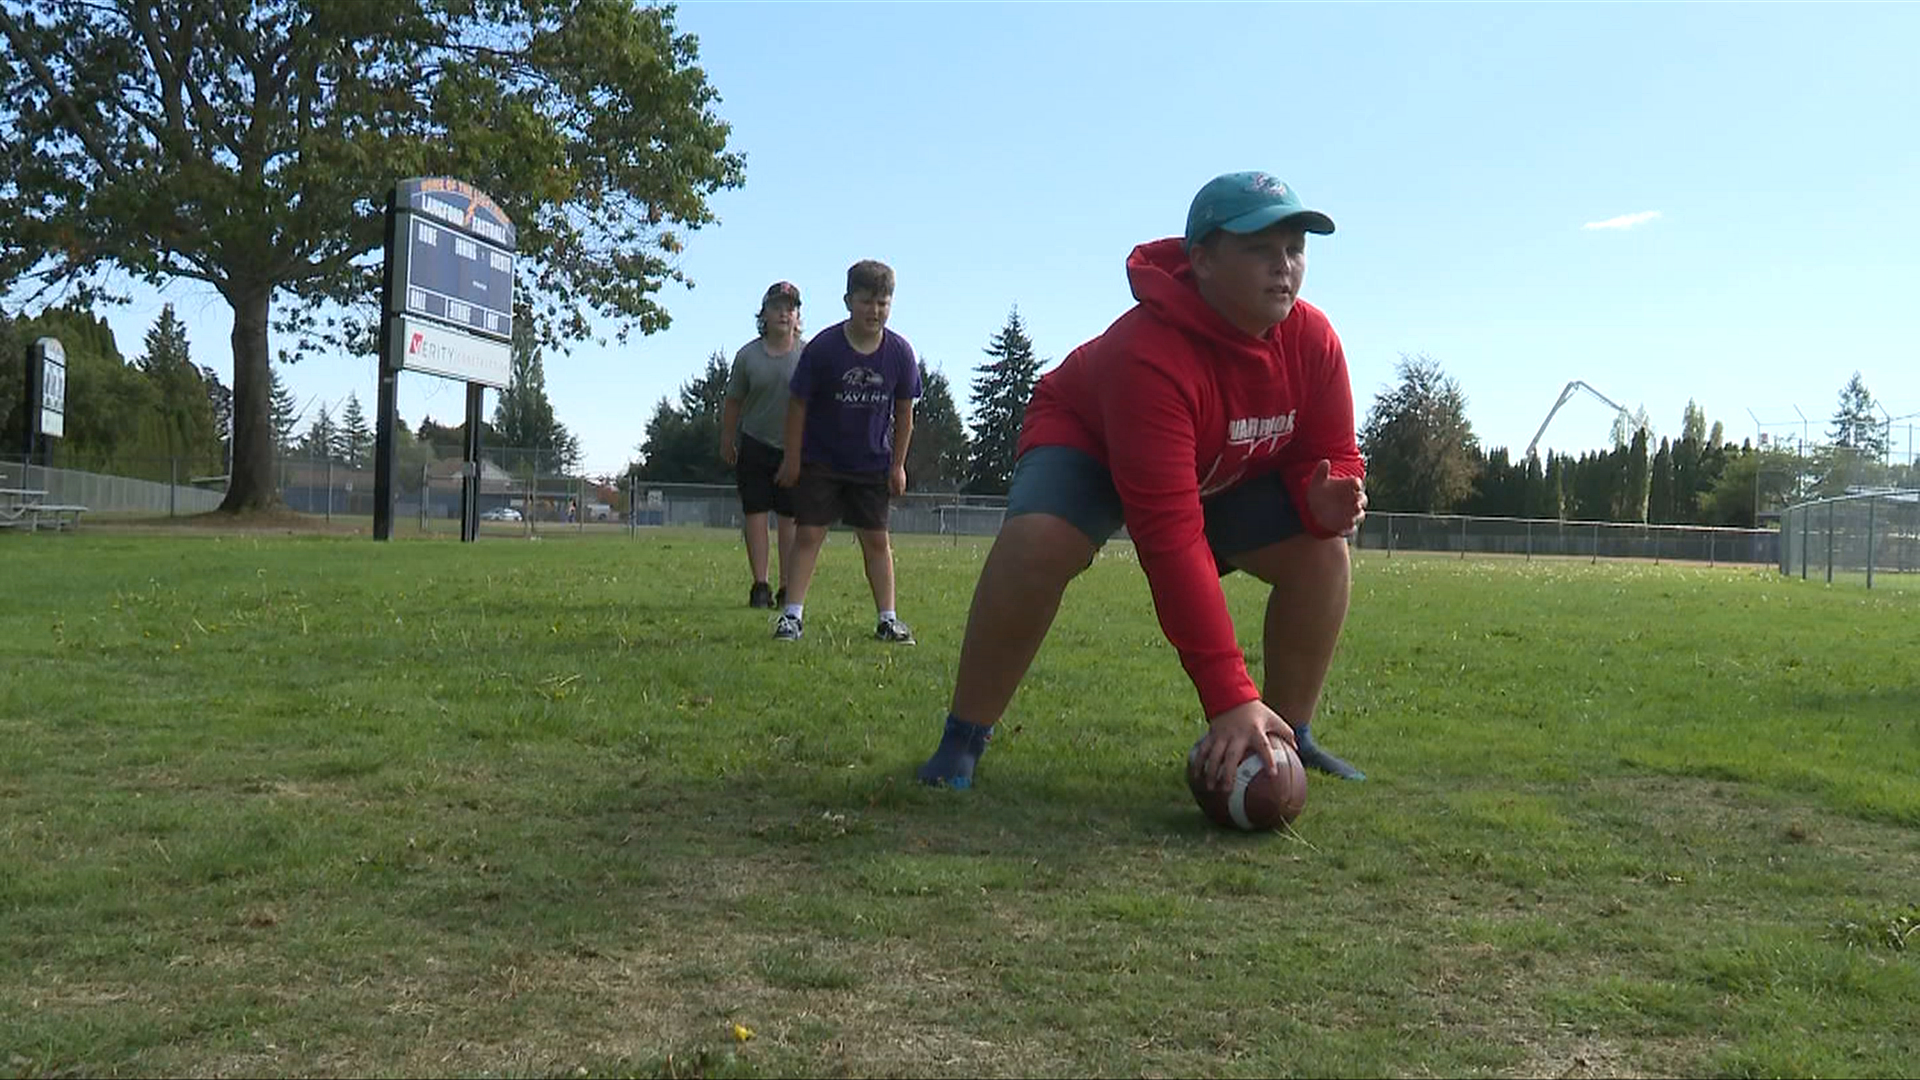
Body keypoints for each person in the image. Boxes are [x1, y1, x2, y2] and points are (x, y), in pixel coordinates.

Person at [915, 171, 1370, 793]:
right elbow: (1170, 539)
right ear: (1202, 261)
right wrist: (1229, 695)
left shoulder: (1314, 339)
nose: (1283, 267)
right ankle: (962, 739)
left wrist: (1323, 499)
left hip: (1212, 470)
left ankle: (1287, 737)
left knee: (1324, 553)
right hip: (1089, 439)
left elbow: (1333, 452)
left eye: (1294, 249)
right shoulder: (1150, 354)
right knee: (1040, 543)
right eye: (1259, 249)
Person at [771, 259, 922, 644]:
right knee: (809, 534)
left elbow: (904, 413)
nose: (875, 310)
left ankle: (887, 619)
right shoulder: (824, 349)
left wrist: (898, 465)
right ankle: (792, 616)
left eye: (883, 302)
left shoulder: (900, 353)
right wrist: (792, 459)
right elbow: (798, 405)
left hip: (871, 464)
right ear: (848, 301)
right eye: (867, 301)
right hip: (822, 460)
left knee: (876, 541)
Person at [720, 281, 807, 609]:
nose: (784, 313)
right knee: (755, 513)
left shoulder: (807, 355)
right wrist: (727, 440)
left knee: (789, 518)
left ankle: (787, 586)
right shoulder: (748, 356)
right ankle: (761, 585)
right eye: (777, 307)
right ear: (764, 314)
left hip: (794, 447)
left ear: (798, 316)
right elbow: (733, 402)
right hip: (755, 443)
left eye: (791, 308)